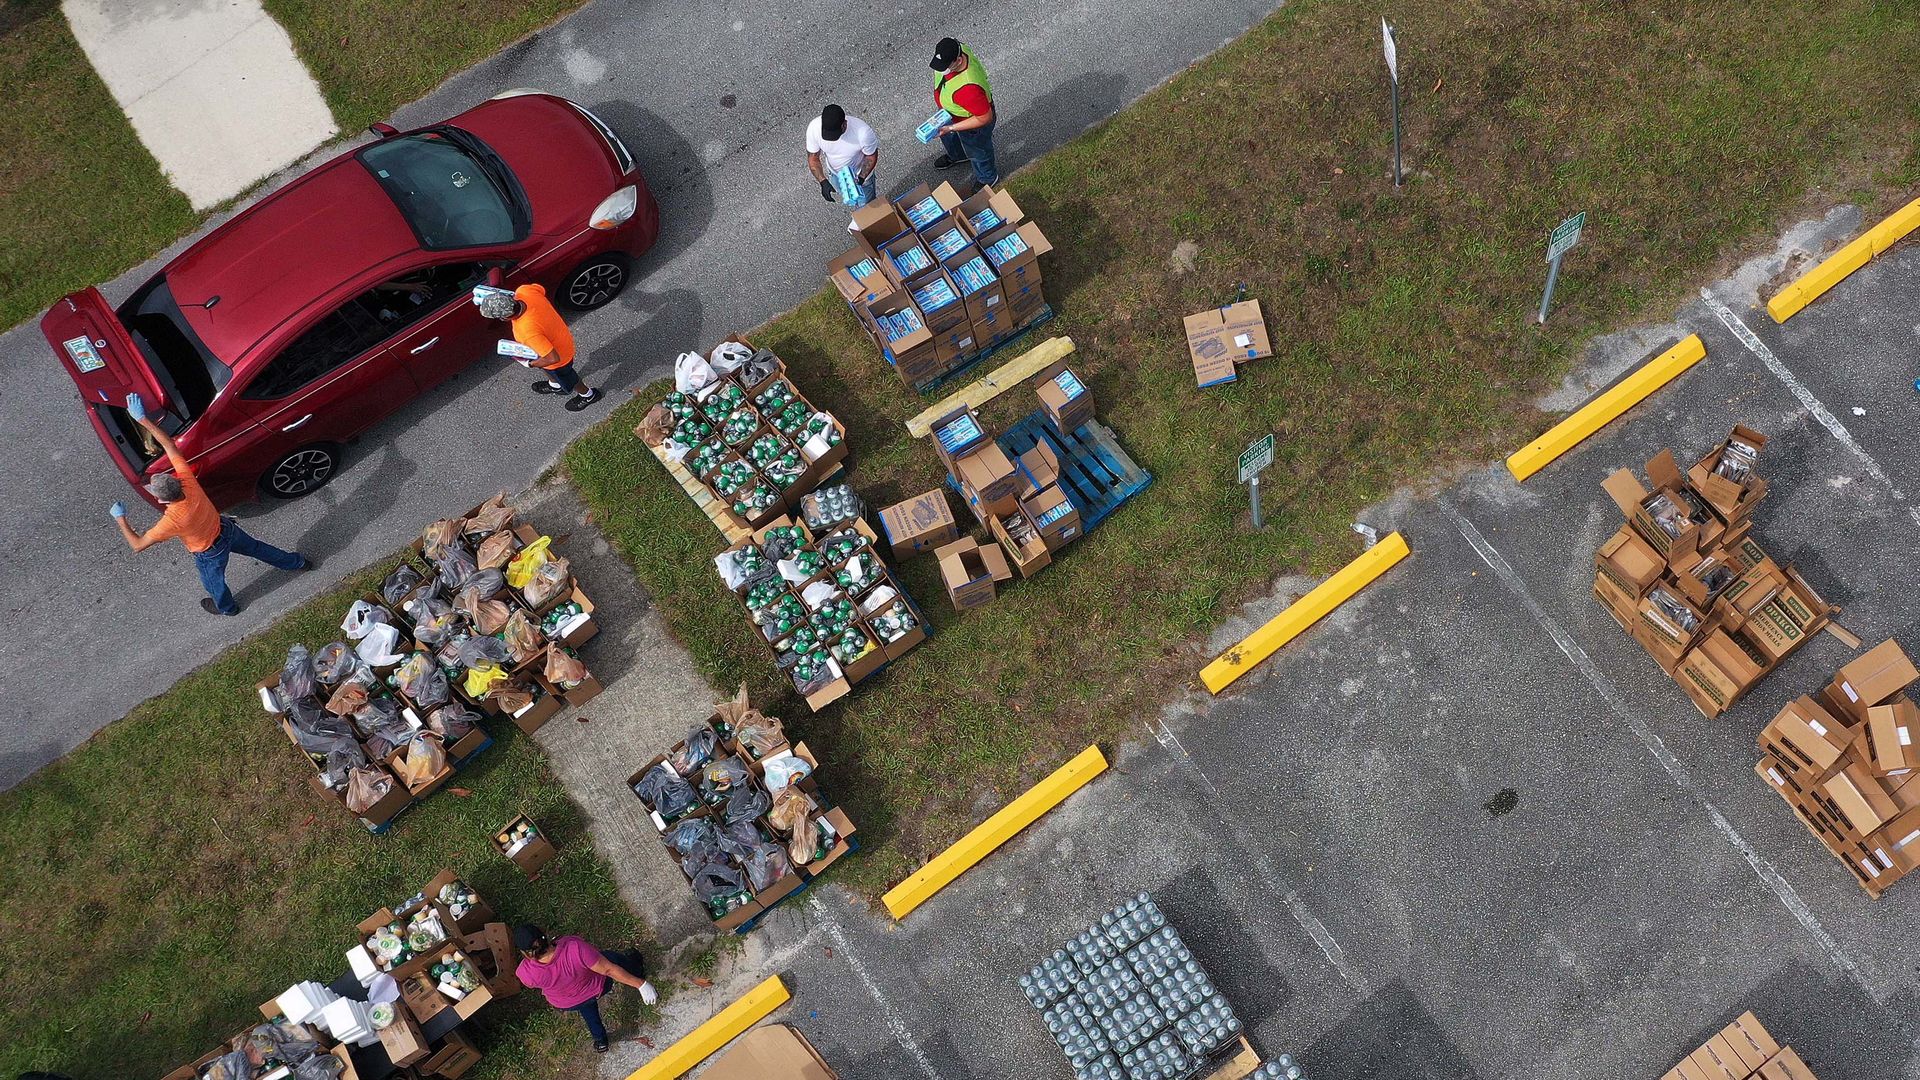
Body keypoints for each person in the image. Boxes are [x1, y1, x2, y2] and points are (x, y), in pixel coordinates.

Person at [110, 393, 310, 616]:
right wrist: (143, 420)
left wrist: (121, 518)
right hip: (226, 530)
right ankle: (297, 562)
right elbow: (170, 447)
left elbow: (137, 545)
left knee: (214, 583)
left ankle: (227, 608)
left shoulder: (172, 520)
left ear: (163, 500)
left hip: (209, 552)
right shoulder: (187, 482)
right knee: (257, 548)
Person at [512, 924, 658, 1053]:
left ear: (525, 953)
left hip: (568, 1002)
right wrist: (641, 984)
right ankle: (636, 968)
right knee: (611, 958)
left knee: (588, 1012)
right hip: (597, 987)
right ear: (544, 934)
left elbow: (532, 982)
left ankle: (601, 1041)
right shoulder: (573, 947)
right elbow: (608, 970)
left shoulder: (525, 973)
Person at [475, 284, 603, 412]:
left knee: (569, 378)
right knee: (548, 370)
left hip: (559, 358)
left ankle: (588, 395)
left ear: (506, 316)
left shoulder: (527, 331)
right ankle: (555, 385)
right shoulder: (524, 291)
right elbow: (540, 288)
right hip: (559, 339)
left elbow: (552, 358)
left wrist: (530, 364)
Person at [930, 36, 998, 190]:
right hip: (950, 112)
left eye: (945, 67)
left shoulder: (969, 89)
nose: (941, 69)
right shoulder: (959, 48)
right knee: (949, 138)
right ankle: (958, 156)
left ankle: (987, 177)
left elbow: (984, 118)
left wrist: (951, 128)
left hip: (972, 125)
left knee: (978, 151)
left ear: (959, 61)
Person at [806, 104, 879, 211]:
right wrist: (822, 181)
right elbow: (813, 158)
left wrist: (861, 178)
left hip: (861, 176)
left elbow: (871, 156)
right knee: (847, 196)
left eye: (835, 134)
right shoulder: (814, 128)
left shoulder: (862, 133)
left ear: (844, 124)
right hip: (835, 174)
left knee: (866, 209)